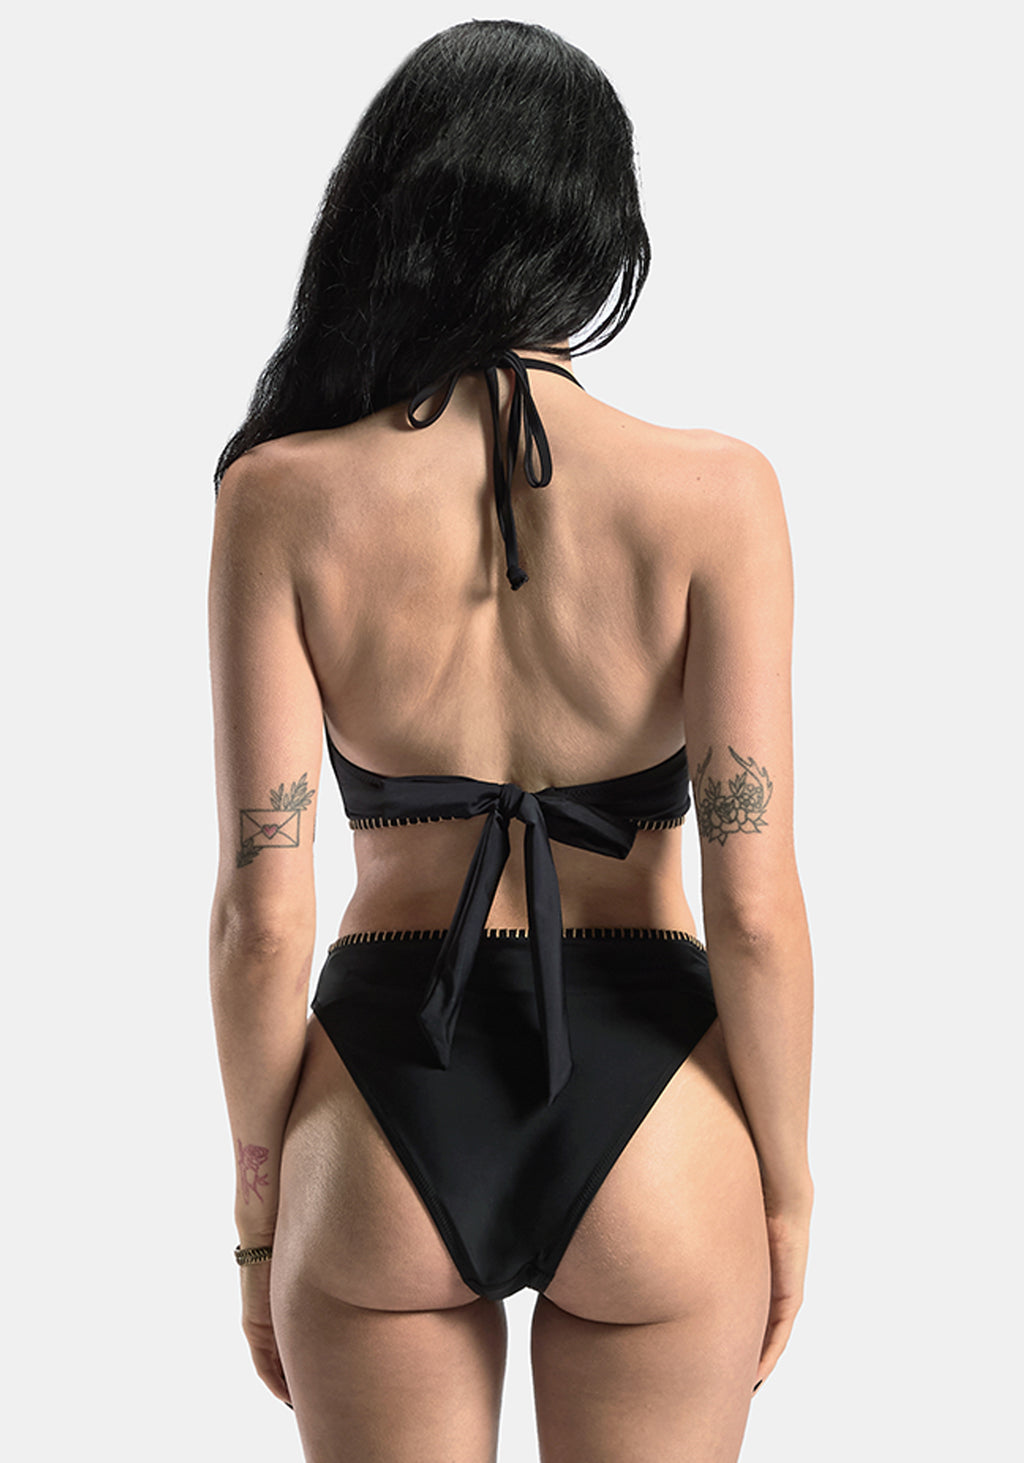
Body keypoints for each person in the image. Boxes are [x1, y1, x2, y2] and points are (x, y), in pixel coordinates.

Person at [208, 19, 813, 1462]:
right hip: (655, 1107)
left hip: (383, 1104)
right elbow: (753, 907)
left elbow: (260, 915)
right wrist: (785, 1185)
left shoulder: (280, 499)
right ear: (599, 229)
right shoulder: (718, 496)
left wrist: (260, 1215)